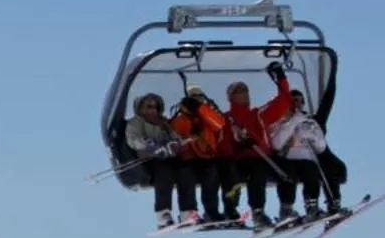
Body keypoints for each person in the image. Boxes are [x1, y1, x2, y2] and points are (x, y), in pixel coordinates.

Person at [221, 64, 298, 224]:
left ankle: (286, 208)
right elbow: (222, 144)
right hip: (242, 160)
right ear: (231, 98)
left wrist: (281, 77)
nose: (244, 93)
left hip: (264, 157)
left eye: (245, 90)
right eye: (239, 91)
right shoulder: (226, 119)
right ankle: (257, 212)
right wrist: (237, 147)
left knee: (288, 169)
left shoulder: (258, 115)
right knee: (257, 171)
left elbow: (284, 101)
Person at [269, 88, 347, 216]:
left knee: (312, 170)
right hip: (288, 159)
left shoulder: (310, 122)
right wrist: (293, 122)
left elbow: (321, 147)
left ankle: (312, 205)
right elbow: (276, 144)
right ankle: (286, 208)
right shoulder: (280, 122)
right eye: (292, 101)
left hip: (307, 159)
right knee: (288, 174)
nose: (296, 104)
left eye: (298, 101)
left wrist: (313, 136)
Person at [123, 93, 190, 227]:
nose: (152, 110)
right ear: (140, 109)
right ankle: (163, 214)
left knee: (185, 169)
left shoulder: (163, 123)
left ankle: (187, 212)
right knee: (163, 171)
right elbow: (134, 140)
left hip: (166, 157)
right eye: (148, 106)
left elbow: (175, 137)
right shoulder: (136, 122)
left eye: (154, 107)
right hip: (147, 160)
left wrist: (175, 144)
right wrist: (150, 146)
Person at [170, 88, 229, 222]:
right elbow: (173, 141)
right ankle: (188, 211)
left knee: (212, 173)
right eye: (194, 98)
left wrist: (200, 109)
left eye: (200, 97)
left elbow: (219, 124)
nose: (198, 100)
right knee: (185, 172)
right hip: (186, 160)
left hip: (206, 159)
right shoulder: (179, 120)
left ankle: (211, 211)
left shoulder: (208, 118)